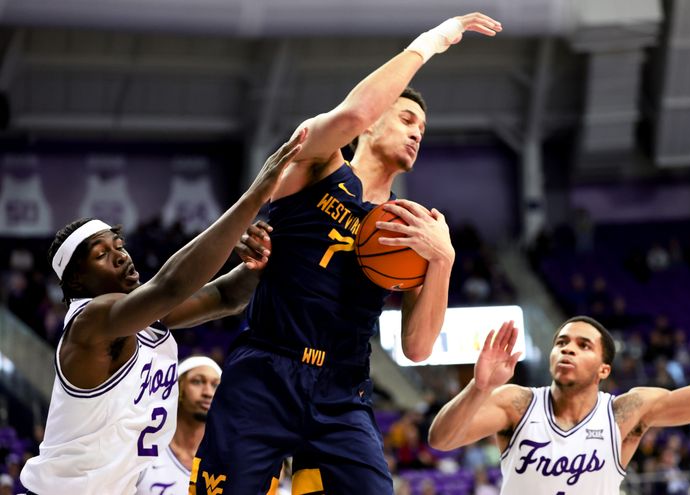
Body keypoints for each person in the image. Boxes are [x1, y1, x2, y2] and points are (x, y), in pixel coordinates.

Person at [191, 12, 503, 495]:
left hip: (343, 388)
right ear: (373, 123)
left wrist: (443, 260)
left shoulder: (413, 228)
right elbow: (353, 114)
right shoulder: (317, 165)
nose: (418, 131)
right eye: (406, 118)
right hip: (266, 369)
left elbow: (418, 347)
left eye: (423, 127)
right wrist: (431, 42)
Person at [19, 132, 306, 495]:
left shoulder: (141, 320)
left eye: (119, 245)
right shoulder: (90, 322)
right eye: (102, 254)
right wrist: (254, 197)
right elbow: (170, 286)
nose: (121, 255)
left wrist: (258, 263)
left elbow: (225, 296)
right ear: (77, 279)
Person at [428, 277, 690, 494]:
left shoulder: (624, 413)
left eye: (583, 346)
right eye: (562, 342)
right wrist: (478, 387)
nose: (568, 348)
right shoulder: (515, 403)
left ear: (603, 369)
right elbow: (441, 440)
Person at [135, 356, 222, 495]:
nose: (208, 392)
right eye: (197, 381)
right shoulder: (143, 451)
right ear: (176, 387)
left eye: (215, 385)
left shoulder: (226, 459)